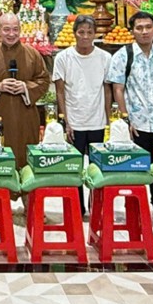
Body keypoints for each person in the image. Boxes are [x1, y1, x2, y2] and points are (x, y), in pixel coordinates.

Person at [107, 11, 153, 207]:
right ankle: (134, 209)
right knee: (133, 168)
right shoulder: (123, 56)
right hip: (135, 123)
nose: (144, 32)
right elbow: (117, 89)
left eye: (148, 27)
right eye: (139, 28)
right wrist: (125, 119)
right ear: (132, 31)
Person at [0, 12, 50, 170]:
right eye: (6, 29)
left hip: (26, 115)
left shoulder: (32, 54)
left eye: (15, 29)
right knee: (0, 156)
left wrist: (25, 87)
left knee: (26, 156)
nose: (11, 34)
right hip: (0, 114)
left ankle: (27, 184)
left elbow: (44, 80)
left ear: (20, 30)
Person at [52, 14, 112, 217]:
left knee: (97, 169)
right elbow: (60, 92)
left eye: (89, 32)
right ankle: (77, 208)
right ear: (75, 33)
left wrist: (108, 121)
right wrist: (65, 121)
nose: (85, 36)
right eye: (81, 32)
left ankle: (96, 208)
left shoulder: (105, 58)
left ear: (95, 34)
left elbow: (107, 91)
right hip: (74, 122)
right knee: (74, 168)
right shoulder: (63, 58)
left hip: (97, 122)